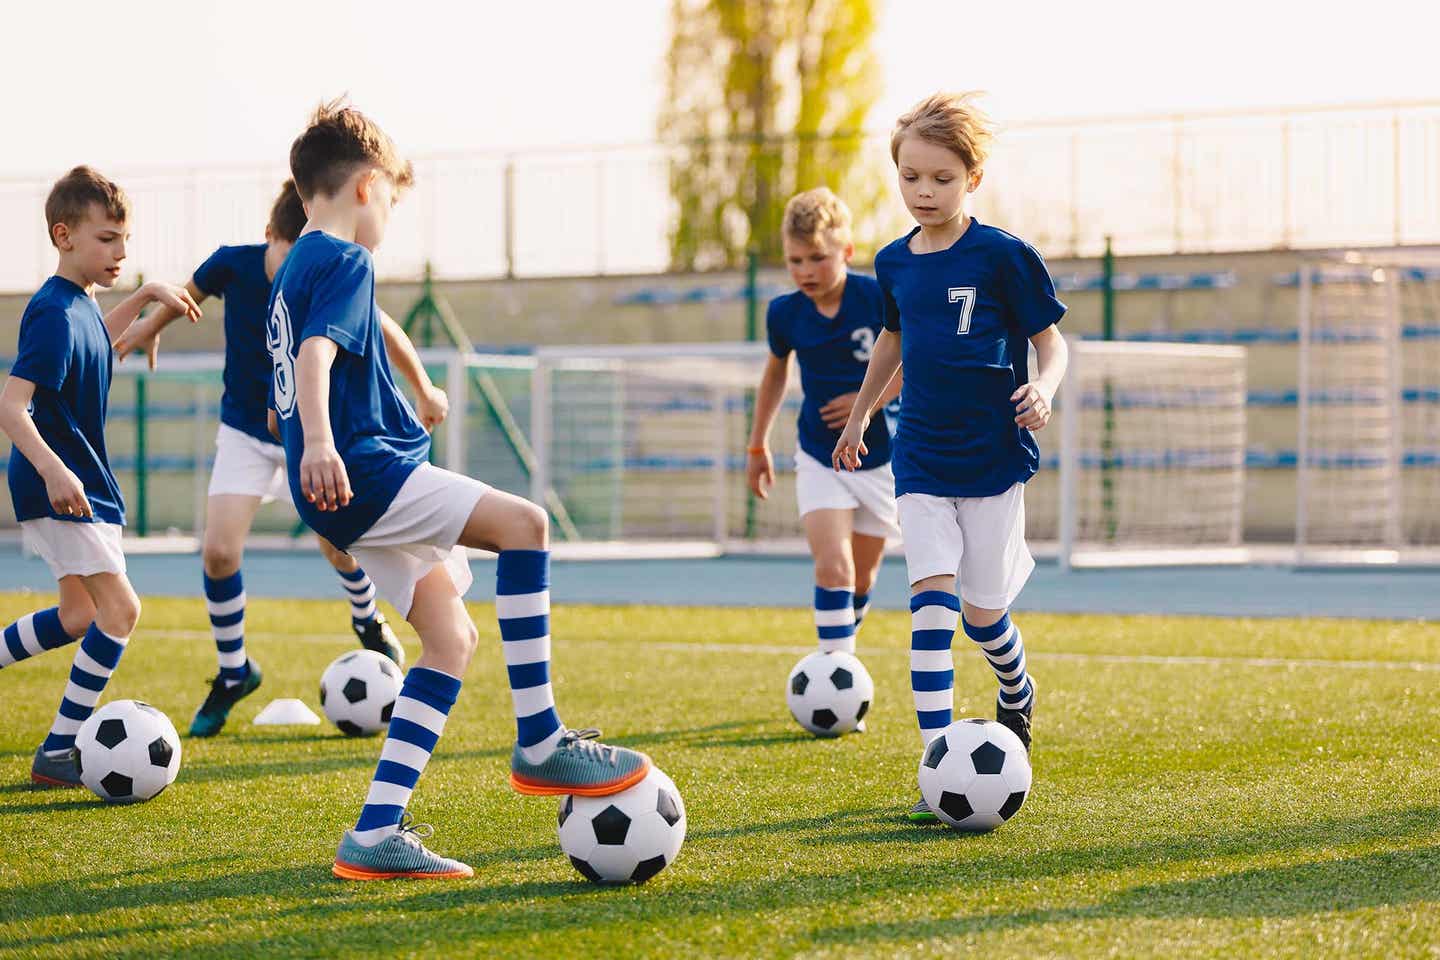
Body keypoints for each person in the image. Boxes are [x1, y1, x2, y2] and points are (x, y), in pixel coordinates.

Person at [269, 99, 652, 879]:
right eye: (394, 206)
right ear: (369, 187)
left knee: (450, 640)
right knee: (527, 524)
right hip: (366, 471)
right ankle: (542, 740)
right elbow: (314, 358)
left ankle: (375, 832)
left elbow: (338, 345)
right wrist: (320, 442)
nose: (389, 223)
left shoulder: (297, 266)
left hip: (340, 490)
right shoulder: (345, 258)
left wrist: (372, 408)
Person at [114, 179, 449, 737]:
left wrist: (425, 387)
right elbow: (186, 295)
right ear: (268, 236)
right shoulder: (234, 265)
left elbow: (382, 325)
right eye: (282, 258)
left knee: (337, 544)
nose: (289, 271)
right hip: (246, 431)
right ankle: (233, 671)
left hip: (307, 433)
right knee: (219, 552)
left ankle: (366, 617)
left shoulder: (323, 272)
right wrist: (150, 324)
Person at [831, 93, 1069, 822]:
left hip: (993, 459)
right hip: (923, 460)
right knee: (929, 605)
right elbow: (894, 345)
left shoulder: (1002, 254)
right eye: (910, 177)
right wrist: (865, 412)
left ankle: (1015, 690)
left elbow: (1050, 343)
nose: (923, 192)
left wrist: (1044, 389)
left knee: (982, 616)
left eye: (940, 178)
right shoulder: (893, 264)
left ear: (972, 177)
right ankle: (940, 760)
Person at [0, 166, 202, 785]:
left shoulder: (81, 306)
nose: (120, 252)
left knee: (78, 617)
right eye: (107, 239)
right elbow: (10, 404)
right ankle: (59, 749)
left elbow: (99, 341)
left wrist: (141, 301)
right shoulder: (53, 313)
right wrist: (55, 469)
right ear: (64, 236)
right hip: (60, 485)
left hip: (81, 483)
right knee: (122, 610)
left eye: (124, 240)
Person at [746, 187, 901, 657]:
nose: (805, 271)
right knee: (834, 568)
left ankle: (841, 655)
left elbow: (911, 360)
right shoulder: (784, 313)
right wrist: (757, 445)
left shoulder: (877, 296)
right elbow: (775, 374)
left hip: (881, 456)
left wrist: (865, 403)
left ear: (847, 252)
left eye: (817, 258)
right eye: (795, 261)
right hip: (819, 454)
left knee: (863, 576)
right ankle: (839, 675)